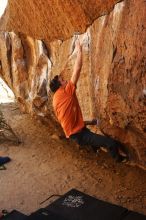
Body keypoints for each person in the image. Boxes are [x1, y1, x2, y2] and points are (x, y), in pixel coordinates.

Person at [49, 40, 128, 163]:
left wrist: (89, 122)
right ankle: (120, 159)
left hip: (75, 132)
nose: (65, 80)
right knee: (110, 143)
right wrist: (79, 49)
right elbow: (78, 69)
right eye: (63, 80)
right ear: (60, 86)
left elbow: (68, 117)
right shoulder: (66, 92)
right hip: (79, 135)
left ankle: (94, 147)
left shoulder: (56, 98)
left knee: (91, 137)